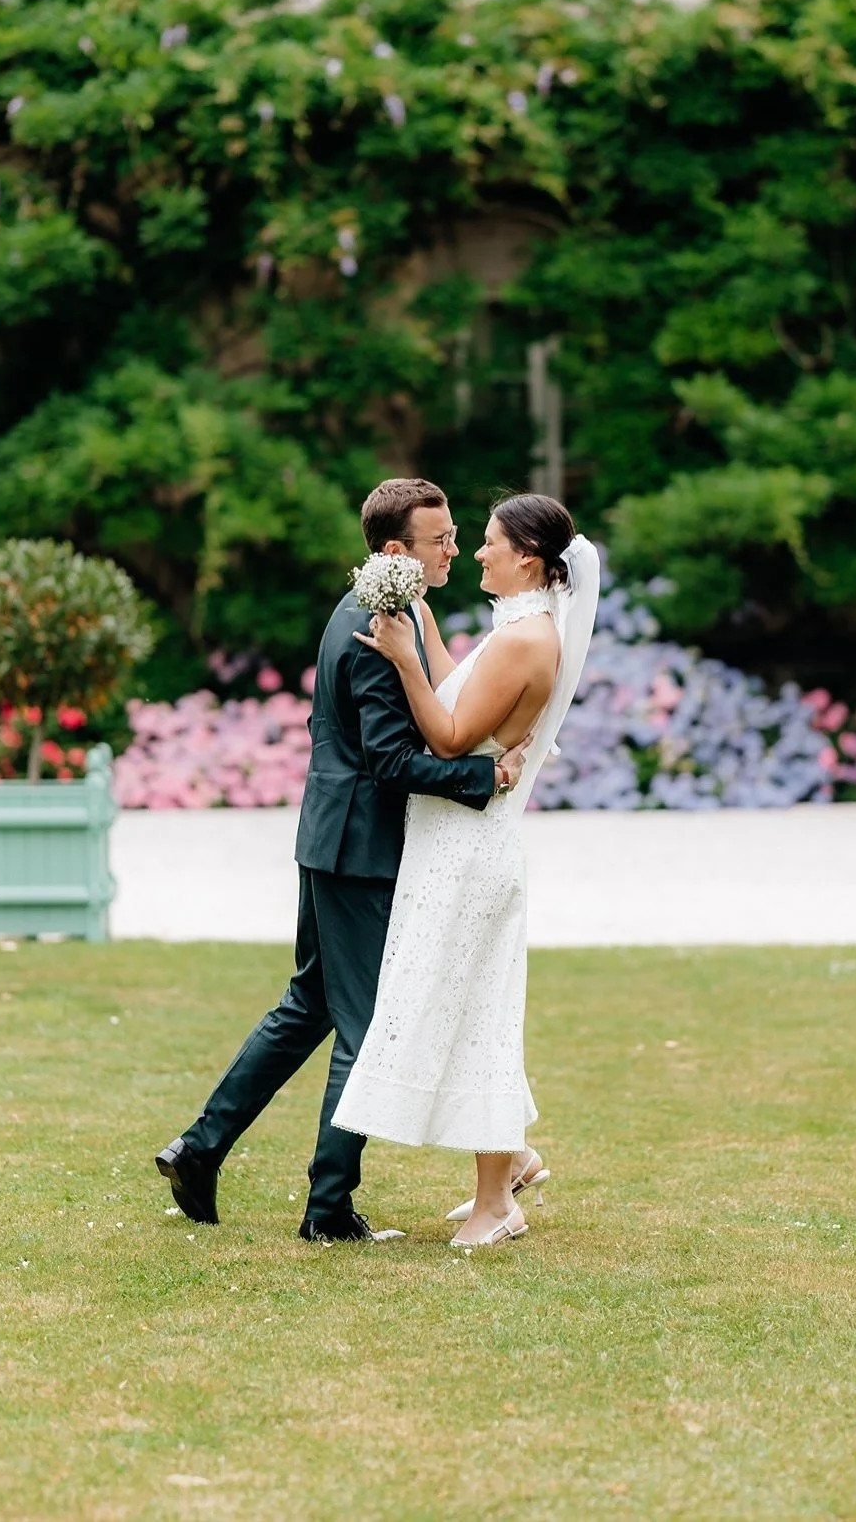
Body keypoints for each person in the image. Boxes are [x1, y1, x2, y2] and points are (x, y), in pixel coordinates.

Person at [154, 478, 530, 1243]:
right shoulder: (375, 625)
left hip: (328, 836)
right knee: (366, 1027)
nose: (454, 548)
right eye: (440, 540)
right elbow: (390, 760)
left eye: (457, 535)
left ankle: (197, 1150)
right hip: (359, 848)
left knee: (309, 1009)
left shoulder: (364, 608)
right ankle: (327, 1209)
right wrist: (478, 777)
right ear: (396, 551)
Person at [333, 493, 599, 1248]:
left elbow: (447, 736)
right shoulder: (513, 628)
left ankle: (495, 1203)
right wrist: (414, 631)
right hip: (452, 841)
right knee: (463, 1007)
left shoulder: (526, 639)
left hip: (469, 853)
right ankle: (508, 1160)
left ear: (527, 559)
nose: (475, 554)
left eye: (487, 543)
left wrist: (397, 661)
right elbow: (459, 694)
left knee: (477, 1013)